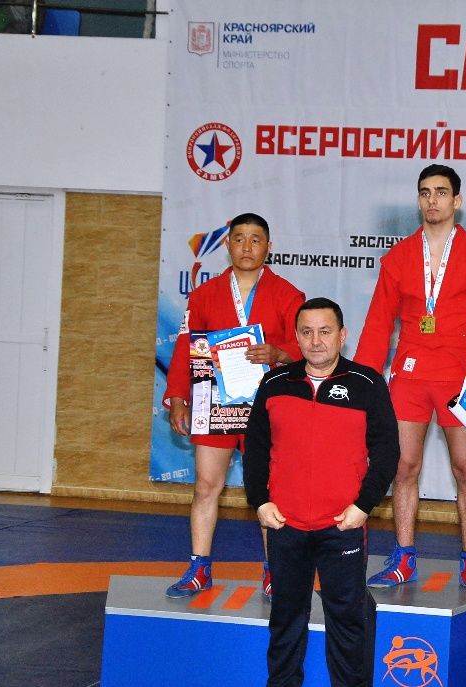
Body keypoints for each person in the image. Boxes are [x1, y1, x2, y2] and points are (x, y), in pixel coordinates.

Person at [356, 164, 466, 595]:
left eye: (442, 192)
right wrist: (364, 377)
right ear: (418, 200)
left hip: (458, 377)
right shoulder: (398, 256)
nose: (433, 200)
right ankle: (403, 557)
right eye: (426, 192)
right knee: (403, 467)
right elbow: (379, 321)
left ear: (457, 201)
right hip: (410, 374)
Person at [243, 298, 400, 687]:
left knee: (347, 621)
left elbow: (387, 452)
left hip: (342, 525)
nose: (316, 341)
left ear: (342, 336)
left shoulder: (367, 384)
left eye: (325, 331)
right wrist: (260, 501)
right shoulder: (274, 384)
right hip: (285, 525)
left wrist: (363, 506)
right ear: (297, 337)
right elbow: (256, 449)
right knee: (285, 619)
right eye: (307, 332)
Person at [163, 212, 306, 599]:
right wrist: (178, 397)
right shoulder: (203, 296)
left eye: (255, 239)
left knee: (269, 492)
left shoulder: (288, 295)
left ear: (268, 247)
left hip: (267, 407)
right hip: (216, 404)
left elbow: (306, 348)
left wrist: (278, 353)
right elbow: (186, 347)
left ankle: (274, 571)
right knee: (205, 486)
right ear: (227, 244)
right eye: (239, 238)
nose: (246, 246)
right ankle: (199, 568)